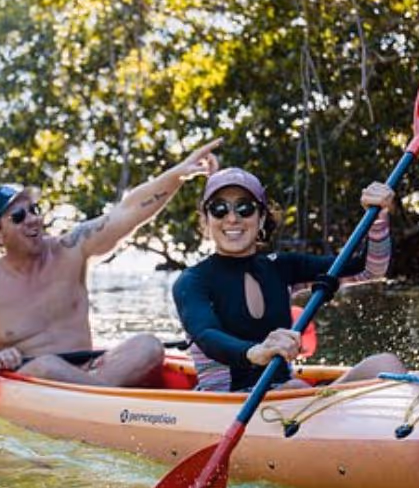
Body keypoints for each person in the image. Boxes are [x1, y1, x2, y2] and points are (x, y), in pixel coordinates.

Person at [0, 138, 223, 386]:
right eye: (18, 216)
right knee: (47, 365)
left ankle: (101, 396)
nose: (32, 218)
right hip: (32, 379)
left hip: (91, 370)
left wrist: (178, 175)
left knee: (149, 346)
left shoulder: (71, 247)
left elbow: (126, 212)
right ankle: (109, 402)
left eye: (34, 209)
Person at [173, 166, 403, 393]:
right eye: (219, 209)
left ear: (261, 218)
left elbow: (371, 269)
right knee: (293, 387)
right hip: (225, 404)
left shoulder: (282, 267)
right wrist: (256, 352)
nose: (232, 218)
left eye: (244, 208)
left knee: (385, 363)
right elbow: (207, 335)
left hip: (288, 394)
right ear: (205, 220)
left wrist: (378, 220)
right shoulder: (192, 281)